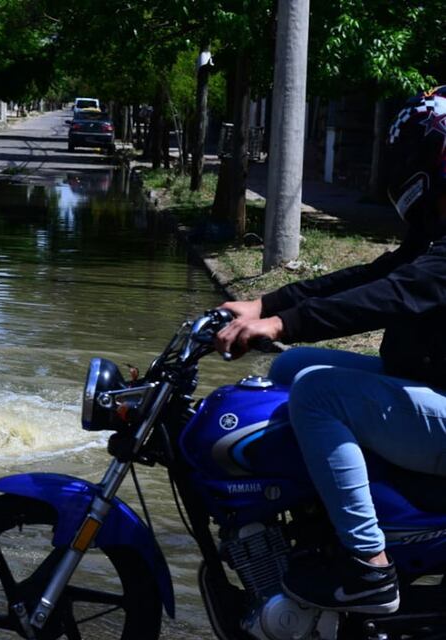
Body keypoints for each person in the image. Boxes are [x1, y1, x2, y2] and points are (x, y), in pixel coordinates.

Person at [214, 86, 446, 615]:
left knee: (318, 392)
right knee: (294, 365)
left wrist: (282, 323)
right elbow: (373, 276)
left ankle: (370, 568)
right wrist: (265, 303)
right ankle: (320, 509)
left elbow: (389, 296)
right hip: (432, 385)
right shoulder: (434, 235)